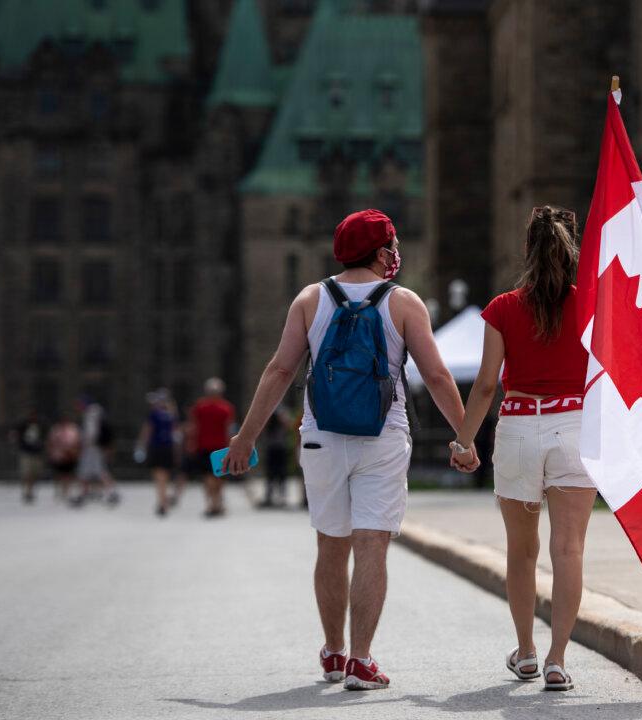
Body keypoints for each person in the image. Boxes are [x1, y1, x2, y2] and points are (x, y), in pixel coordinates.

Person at [222, 209, 476, 691]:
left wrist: (246, 437)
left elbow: (280, 371)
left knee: (330, 544)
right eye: (393, 245)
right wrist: (464, 439)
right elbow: (438, 377)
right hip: (383, 435)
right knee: (372, 544)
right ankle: (362, 660)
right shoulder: (404, 303)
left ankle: (334, 653)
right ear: (382, 252)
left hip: (321, 435)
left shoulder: (309, 299)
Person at [450, 205, 594, 691]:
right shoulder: (592, 305)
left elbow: (486, 385)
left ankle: (527, 652)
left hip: (518, 427)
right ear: (572, 250)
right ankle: (557, 660)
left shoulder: (503, 308)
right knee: (569, 548)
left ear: (527, 249)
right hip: (576, 425)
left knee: (522, 551)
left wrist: (464, 440)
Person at [190, 378, 236, 518]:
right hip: (221, 447)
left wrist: (191, 443)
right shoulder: (226, 408)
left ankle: (212, 504)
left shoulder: (199, 406)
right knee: (220, 476)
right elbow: (230, 429)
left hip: (204, 446)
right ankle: (217, 503)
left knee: (208, 476)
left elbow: (194, 427)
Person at [138, 388, 179, 517]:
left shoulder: (154, 414)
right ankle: (164, 499)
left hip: (156, 446)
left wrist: (141, 445)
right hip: (168, 447)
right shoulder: (171, 414)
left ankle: (162, 502)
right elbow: (175, 433)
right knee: (165, 475)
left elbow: (147, 431)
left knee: (158, 475)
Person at [75, 398, 120, 506]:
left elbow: (91, 433)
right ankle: (86, 493)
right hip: (96, 447)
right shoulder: (97, 413)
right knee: (92, 471)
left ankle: (110, 493)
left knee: (95, 471)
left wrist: (85, 444)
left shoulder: (90, 415)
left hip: (92, 448)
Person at [258, 406, 292, 508]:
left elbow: (288, 426)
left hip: (281, 447)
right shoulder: (268, 411)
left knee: (282, 473)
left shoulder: (282, 412)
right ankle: (269, 495)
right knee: (270, 473)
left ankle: (282, 496)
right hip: (271, 447)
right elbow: (262, 428)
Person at [11, 408, 45, 503]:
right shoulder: (23, 425)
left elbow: (44, 437)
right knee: (26, 472)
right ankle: (27, 492)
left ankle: (31, 490)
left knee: (35, 473)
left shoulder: (41, 425)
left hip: (37, 453)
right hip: (26, 452)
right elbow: (16, 435)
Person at [46, 415, 81, 502]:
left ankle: (66, 491)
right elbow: (51, 442)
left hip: (70, 455)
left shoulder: (73, 429)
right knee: (59, 474)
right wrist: (51, 452)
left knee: (68, 474)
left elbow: (77, 442)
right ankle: (58, 490)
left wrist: (75, 452)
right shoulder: (55, 429)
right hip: (58, 455)